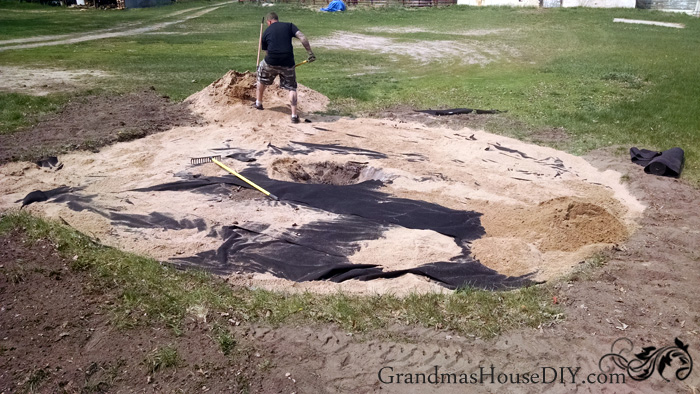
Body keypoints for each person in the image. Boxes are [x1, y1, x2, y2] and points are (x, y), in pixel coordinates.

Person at [255, 12, 316, 124]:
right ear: (277, 19)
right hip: (287, 62)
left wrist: (269, 65)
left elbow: (267, 53)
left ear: (269, 22)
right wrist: (310, 53)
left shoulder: (266, 32)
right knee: (292, 88)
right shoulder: (289, 26)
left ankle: (258, 103)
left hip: (271, 61)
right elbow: (302, 37)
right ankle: (294, 115)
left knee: (260, 78)